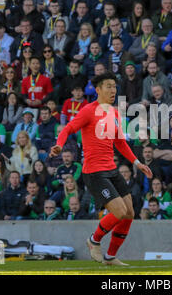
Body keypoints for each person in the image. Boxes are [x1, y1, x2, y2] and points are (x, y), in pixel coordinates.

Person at [50, 72, 152, 266]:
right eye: (108, 86)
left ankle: (110, 257)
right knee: (120, 212)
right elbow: (67, 129)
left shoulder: (113, 112)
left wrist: (137, 163)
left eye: (114, 86)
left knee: (130, 213)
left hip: (112, 169)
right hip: (94, 172)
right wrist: (59, 145)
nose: (113, 90)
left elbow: (120, 142)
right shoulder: (89, 110)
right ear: (98, 90)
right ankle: (94, 240)